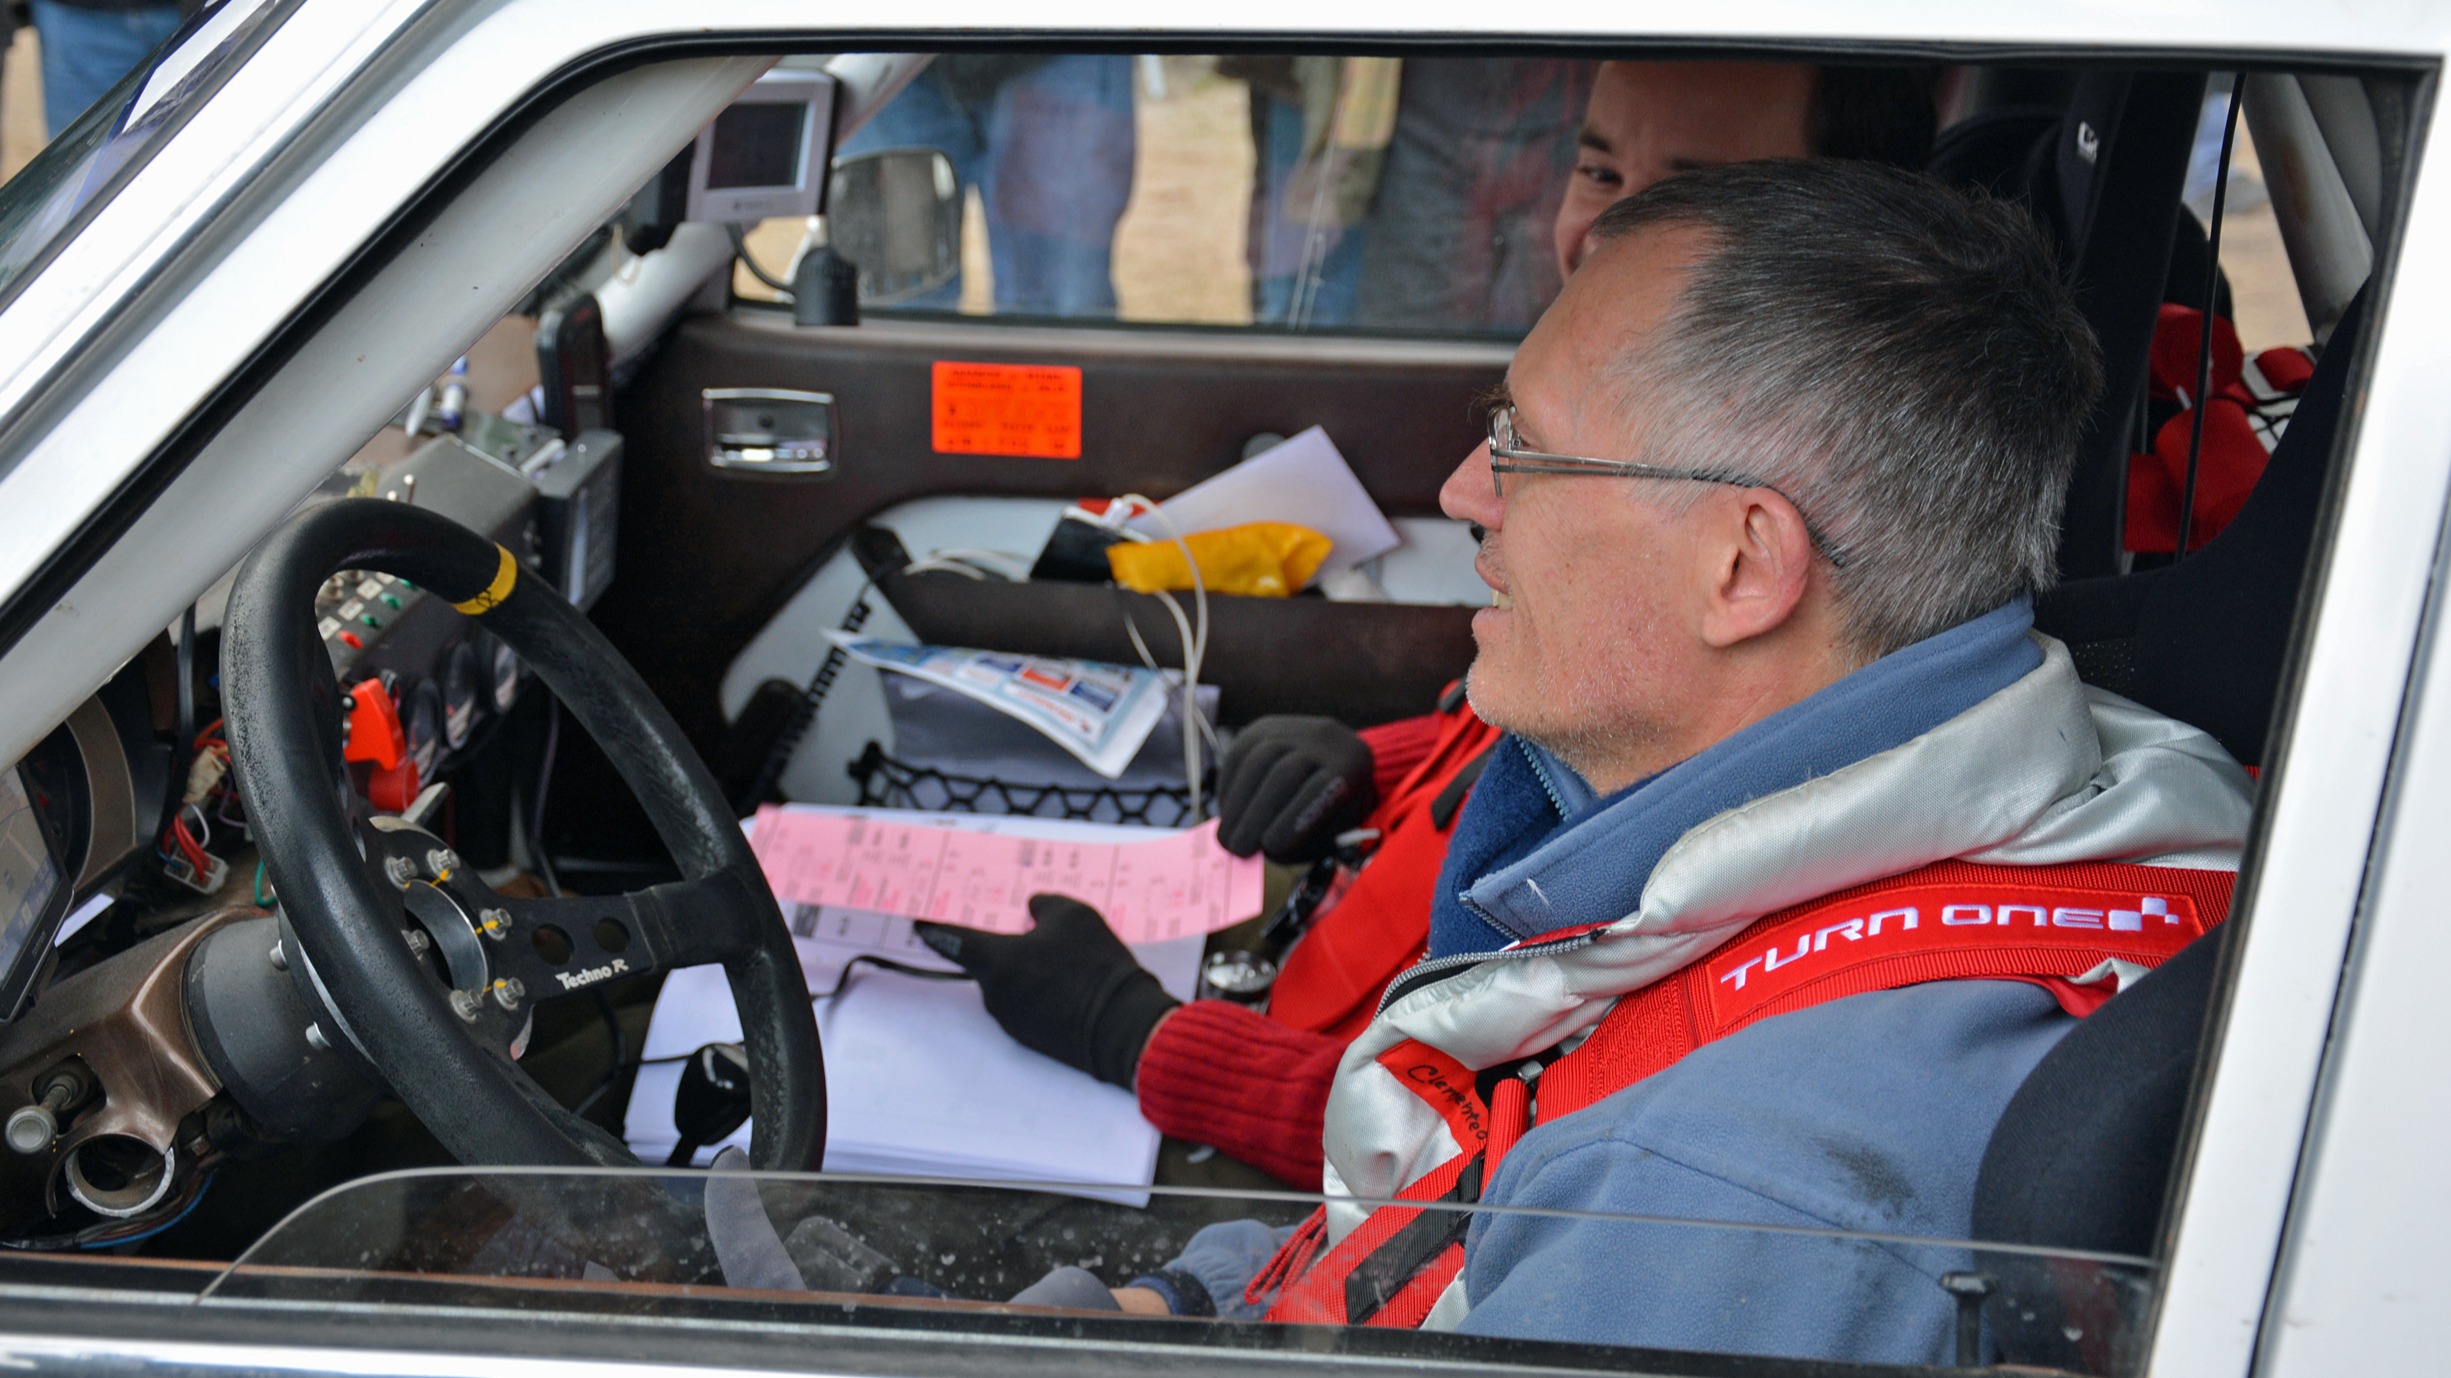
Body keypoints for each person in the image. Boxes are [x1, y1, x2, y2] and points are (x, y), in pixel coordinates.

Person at [936, 160, 2255, 1361]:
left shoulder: (1713, 1181)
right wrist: (1190, 1303)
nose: (1462, 491)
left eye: (1521, 446)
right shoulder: (2070, 776)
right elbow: (1454, 1209)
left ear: (1742, 563)